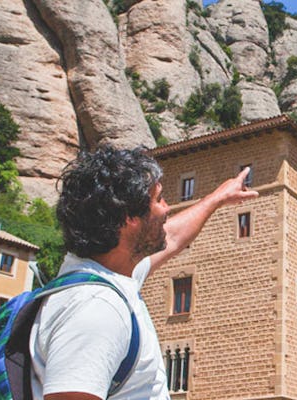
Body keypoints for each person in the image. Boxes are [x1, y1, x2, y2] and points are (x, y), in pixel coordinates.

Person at [30, 146, 258, 400]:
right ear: (129, 218)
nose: (167, 208)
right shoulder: (96, 308)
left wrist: (217, 198)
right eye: (158, 198)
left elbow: (171, 236)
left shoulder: (110, 274)